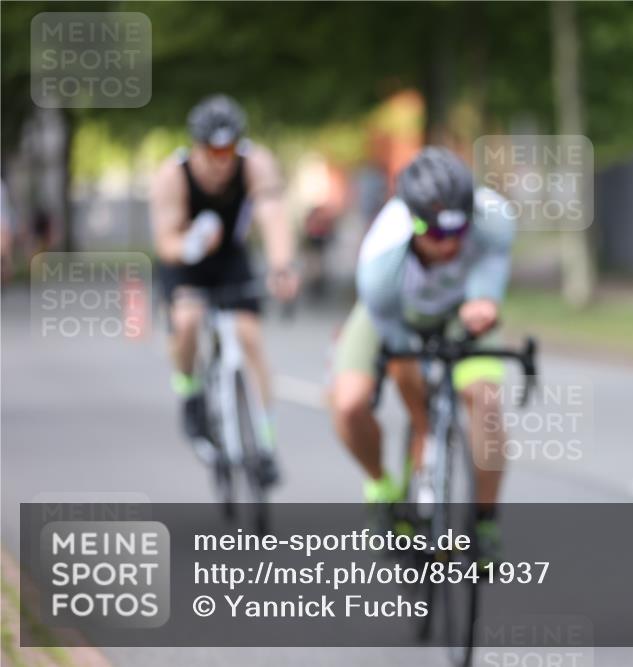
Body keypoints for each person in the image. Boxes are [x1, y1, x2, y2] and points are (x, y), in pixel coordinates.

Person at [329, 147, 515, 559]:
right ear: (411, 222)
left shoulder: (494, 217)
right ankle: (383, 487)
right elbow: (398, 346)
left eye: (458, 233)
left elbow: (492, 267)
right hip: (392, 314)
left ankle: (484, 522)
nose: (448, 245)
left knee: (485, 401)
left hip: (458, 312)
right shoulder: (380, 259)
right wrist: (421, 414)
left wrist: (485, 299)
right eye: (434, 234)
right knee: (349, 404)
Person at [150, 94, 299, 485]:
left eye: (228, 149)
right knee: (186, 320)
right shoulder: (172, 175)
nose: (222, 159)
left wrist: (282, 267)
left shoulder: (256, 163)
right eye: (212, 150)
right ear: (197, 146)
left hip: (231, 260)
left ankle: (264, 444)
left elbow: (272, 215)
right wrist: (191, 245)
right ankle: (190, 390)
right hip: (185, 259)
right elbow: (165, 241)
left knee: (250, 337)